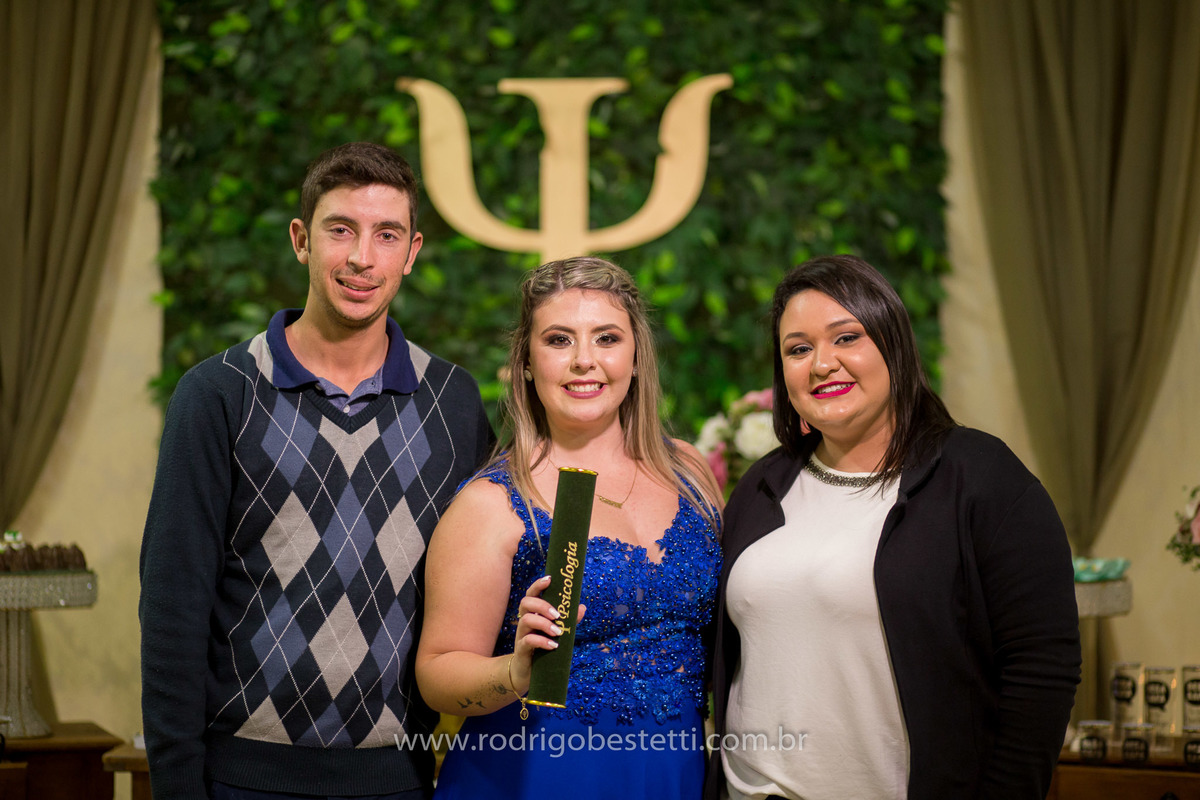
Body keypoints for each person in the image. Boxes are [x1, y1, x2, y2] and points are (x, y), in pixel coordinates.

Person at [140, 142, 493, 800]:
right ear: (302, 240)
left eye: (387, 235)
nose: (363, 257)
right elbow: (171, 614)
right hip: (241, 781)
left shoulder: (453, 404)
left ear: (412, 253)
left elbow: (489, 584)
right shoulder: (218, 395)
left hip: (397, 782)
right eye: (341, 230)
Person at [706, 255, 1081, 800]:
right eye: (798, 348)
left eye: (846, 337)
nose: (821, 365)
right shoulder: (762, 485)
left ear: (893, 344)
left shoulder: (979, 477)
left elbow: (1042, 668)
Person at [415, 257, 723, 799]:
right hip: (538, 773)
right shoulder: (494, 503)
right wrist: (511, 673)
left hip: (675, 773)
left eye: (607, 338)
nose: (585, 361)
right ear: (529, 362)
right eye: (559, 340)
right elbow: (436, 674)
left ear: (635, 357)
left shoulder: (690, 472)